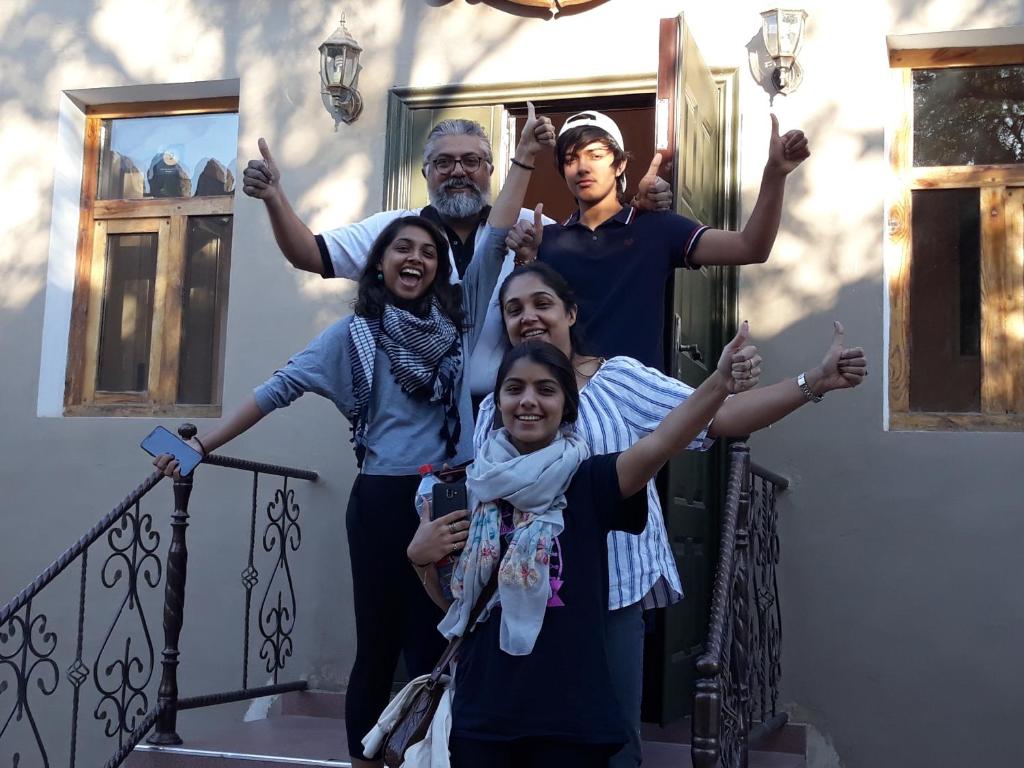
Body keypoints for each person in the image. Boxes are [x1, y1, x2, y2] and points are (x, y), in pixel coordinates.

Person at [410, 262, 868, 768]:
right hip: (508, 602)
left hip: (607, 592)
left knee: (607, 738)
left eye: (542, 303)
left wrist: (811, 382)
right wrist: (425, 557)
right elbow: (487, 511)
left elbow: (704, 422)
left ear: (571, 312)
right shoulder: (496, 413)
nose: (529, 317)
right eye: (514, 309)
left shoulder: (616, 380)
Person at [153, 212, 505, 768]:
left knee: (438, 646)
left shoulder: (458, 327)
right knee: (379, 645)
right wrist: (203, 446)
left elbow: (496, 239)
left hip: (451, 499)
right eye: (402, 249)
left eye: (428, 252)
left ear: (441, 269)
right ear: (380, 264)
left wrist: (526, 159)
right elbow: (281, 386)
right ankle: (365, 760)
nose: (415, 258)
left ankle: (429, 759)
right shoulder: (353, 335)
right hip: (386, 500)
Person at [411, 333, 760, 768]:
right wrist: (420, 559)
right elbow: (455, 606)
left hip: (571, 716)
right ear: (498, 403)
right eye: (514, 388)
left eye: (546, 389)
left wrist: (718, 385)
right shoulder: (469, 491)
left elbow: (661, 442)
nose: (528, 401)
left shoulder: (591, 480)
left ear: (566, 406)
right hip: (484, 714)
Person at [240, 112, 673, 400]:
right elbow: (309, 254)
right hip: (415, 419)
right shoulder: (395, 231)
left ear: (490, 170)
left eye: (471, 161)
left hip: (507, 418)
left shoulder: (531, 226)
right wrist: (275, 197)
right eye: (444, 163)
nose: (458, 171)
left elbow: (600, 263)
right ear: (426, 173)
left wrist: (642, 212)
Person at [501, 109, 811, 370]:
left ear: (620, 163)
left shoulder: (656, 228)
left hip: (642, 402)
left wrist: (775, 174)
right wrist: (525, 256)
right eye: (570, 160)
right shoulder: (548, 239)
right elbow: (522, 323)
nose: (582, 167)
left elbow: (751, 247)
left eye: (595, 155)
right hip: (568, 403)